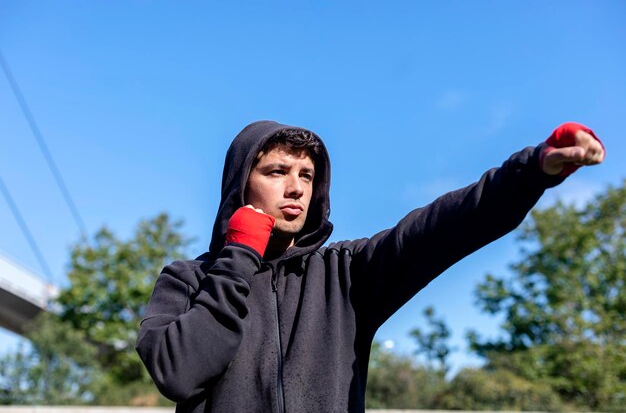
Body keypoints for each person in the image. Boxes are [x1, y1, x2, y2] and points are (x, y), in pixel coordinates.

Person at [136, 120, 605, 413]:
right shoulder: (187, 280)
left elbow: (445, 226)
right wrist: (238, 257)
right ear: (242, 183)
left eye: (306, 175)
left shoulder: (347, 273)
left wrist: (532, 168)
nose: (296, 188)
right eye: (277, 172)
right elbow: (178, 374)